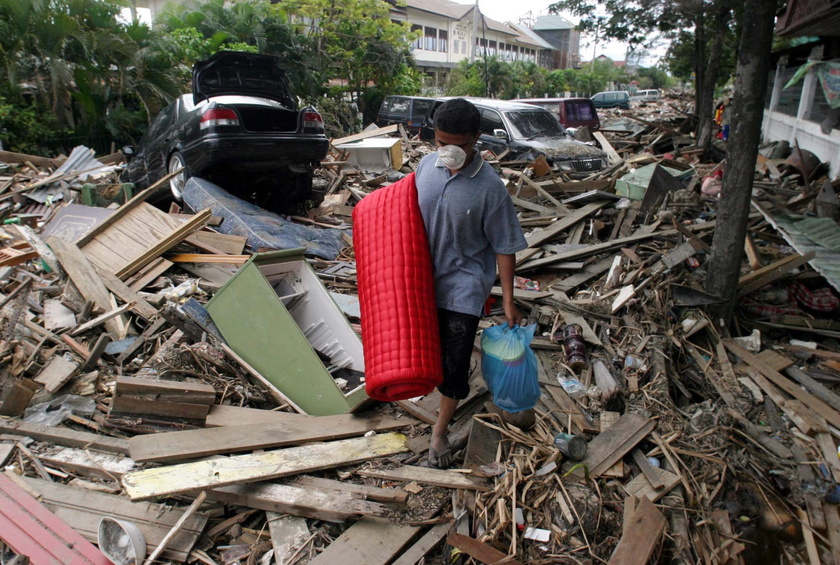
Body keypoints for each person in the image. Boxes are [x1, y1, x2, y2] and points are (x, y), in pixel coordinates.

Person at [414, 98, 528, 468]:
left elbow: (505, 246)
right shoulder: (425, 168)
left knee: (455, 363)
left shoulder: (490, 188)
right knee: (423, 351)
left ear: (477, 138)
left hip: (464, 287)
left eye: (459, 145)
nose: (448, 152)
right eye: (440, 142)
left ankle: (439, 430)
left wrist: (508, 300)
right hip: (420, 280)